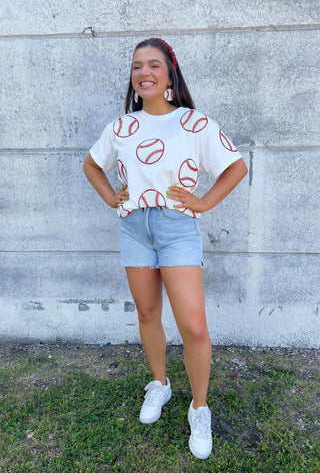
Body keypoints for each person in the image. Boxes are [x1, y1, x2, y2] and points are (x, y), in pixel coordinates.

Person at [83, 37, 247, 460]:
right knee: (147, 313)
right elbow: (91, 163)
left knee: (193, 325)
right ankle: (160, 383)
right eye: (138, 66)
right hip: (134, 227)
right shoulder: (122, 126)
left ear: (169, 73)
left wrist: (204, 202)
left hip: (177, 228)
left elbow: (236, 165)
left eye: (154, 65)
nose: (144, 73)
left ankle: (199, 407)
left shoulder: (194, 123)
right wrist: (109, 196)